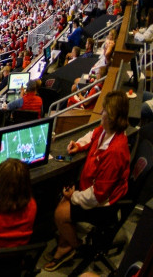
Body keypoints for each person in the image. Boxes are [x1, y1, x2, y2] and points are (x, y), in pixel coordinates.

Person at [45, 90, 131, 271]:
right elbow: (92, 134)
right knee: (62, 202)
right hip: (90, 188)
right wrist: (78, 144)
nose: (101, 113)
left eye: (105, 111)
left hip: (103, 205)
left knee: (60, 214)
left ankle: (75, 247)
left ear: (113, 116)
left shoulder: (115, 152)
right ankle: (64, 244)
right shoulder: (107, 131)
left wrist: (73, 196)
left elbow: (98, 196)